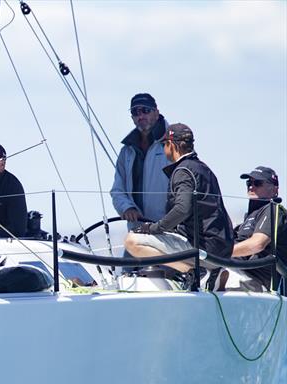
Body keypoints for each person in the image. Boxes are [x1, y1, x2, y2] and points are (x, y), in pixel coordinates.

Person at [125, 123, 234, 273]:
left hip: (202, 248)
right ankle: (205, 273)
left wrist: (153, 228)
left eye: (164, 144)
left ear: (171, 145)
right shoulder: (203, 168)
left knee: (132, 241)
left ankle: (194, 272)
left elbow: (182, 209)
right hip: (222, 249)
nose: (163, 149)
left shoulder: (183, 171)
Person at [110, 93, 170, 228]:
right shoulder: (127, 151)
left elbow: (187, 185)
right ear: (132, 117)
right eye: (135, 112)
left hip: (169, 230)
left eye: (145, 110)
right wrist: (126, 208)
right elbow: (117, 190)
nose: (141, 116)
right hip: (138, 231)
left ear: (156, 112)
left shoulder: (173, 143)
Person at [231, 166, 286, 291]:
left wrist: (222, 253)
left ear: (275, 189)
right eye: (249, 183)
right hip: (240, 273)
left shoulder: (273, 210)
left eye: (257, 183)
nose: (251, 186)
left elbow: (257, 244)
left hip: (262, 284)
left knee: (222, 274)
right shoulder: (246, 220)